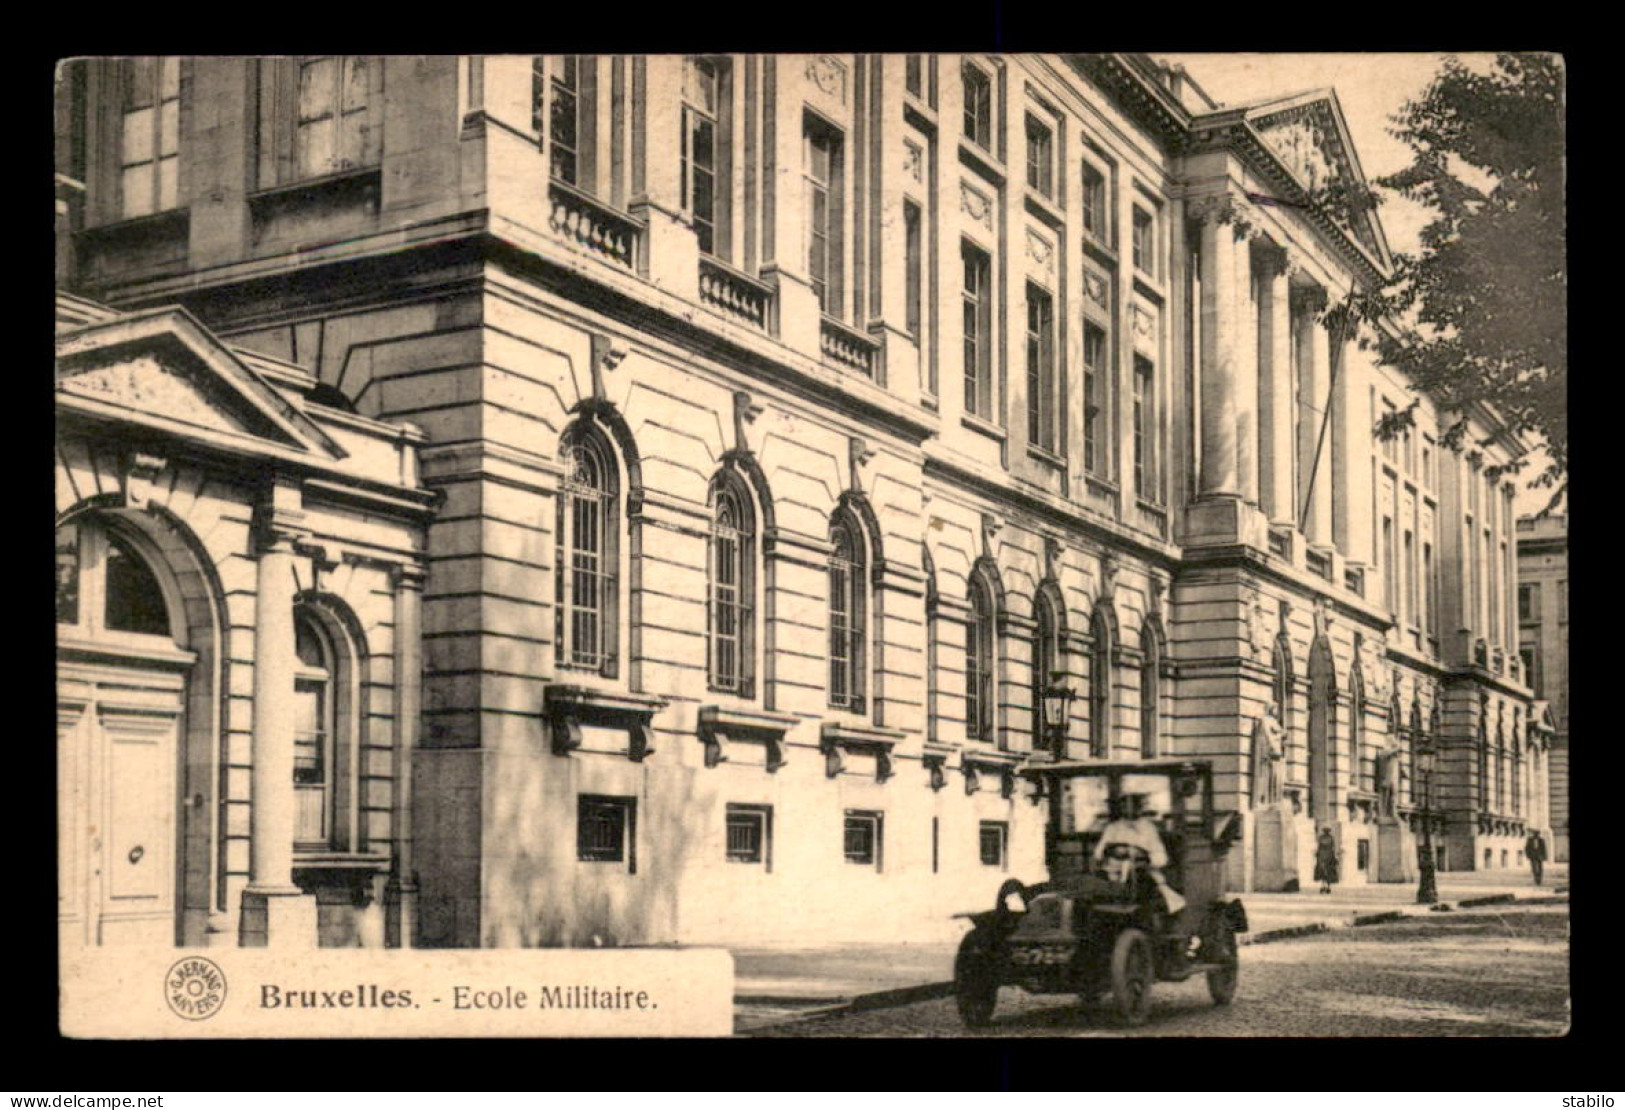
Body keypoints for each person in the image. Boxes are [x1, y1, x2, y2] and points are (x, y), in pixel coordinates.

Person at [1093, 793, 1186, 914]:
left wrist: (1142, 856)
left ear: (1139, 808)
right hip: (1114, 870)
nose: (1128, 809)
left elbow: (1161, 856)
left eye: (1132, 805)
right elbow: (1098, 853)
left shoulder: (1148, 828)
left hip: (1142, 871)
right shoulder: (1113, 828)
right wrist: (1116, 851)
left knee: (1148, 887)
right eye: (1124, 806)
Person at [1313, 828, 1340, 894]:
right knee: (1328, 872)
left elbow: (1319, 847)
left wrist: (1317, 854)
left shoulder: (1321, 838)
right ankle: (1327, 887)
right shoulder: (1331, 838)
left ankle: (1324, 887)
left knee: (1323, 873)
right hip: (1328, 856)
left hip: (1323, 856)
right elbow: (1333, 848)